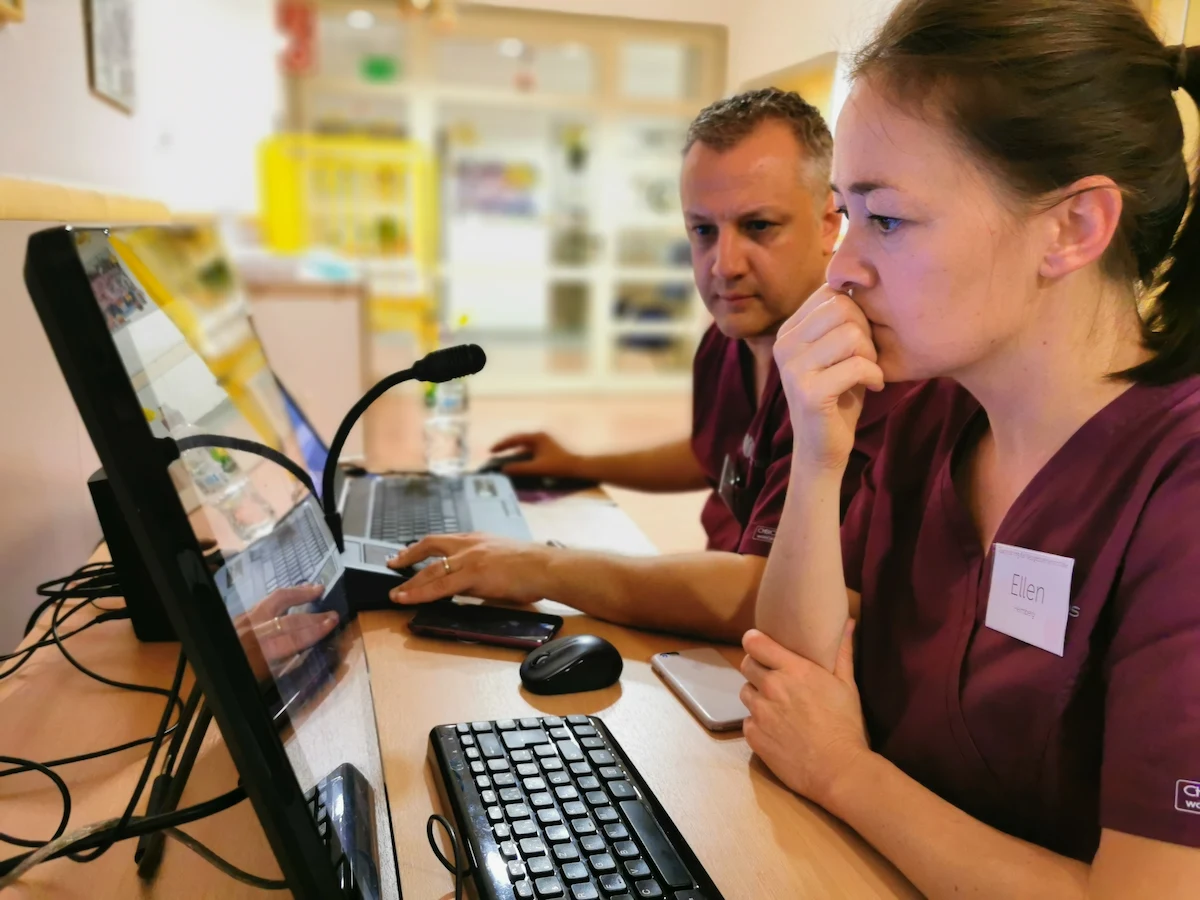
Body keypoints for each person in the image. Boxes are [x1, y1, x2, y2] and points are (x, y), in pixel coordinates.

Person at [743, 0, 1200, 895]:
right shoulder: (925, 414)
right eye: (843, 214)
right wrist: (817, 455)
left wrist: (849, 774)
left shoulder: (1178, 488)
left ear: (1073, 228)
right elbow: (789, 690)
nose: (839, 269)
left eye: (888, 220)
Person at [385, 89, 911, 642]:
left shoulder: (850, 375)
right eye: (703, 231)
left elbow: (771, 594)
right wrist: (580, 463)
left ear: (830, 222)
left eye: (759, 227)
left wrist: (540, 566)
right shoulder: (729, 340)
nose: (723, 266)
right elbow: (715, 452)